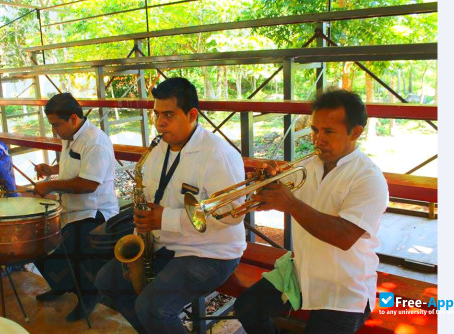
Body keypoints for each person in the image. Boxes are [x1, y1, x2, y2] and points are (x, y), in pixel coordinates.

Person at [95, 77, 246, 334]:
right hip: (167, 245)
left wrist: (165, 219)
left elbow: (230, 216)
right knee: (106, 282)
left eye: (168, 115)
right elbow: (150, 202)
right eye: (156, 115)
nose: (160, 123)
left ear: (192, 114)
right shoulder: (158, 151)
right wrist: (141, 235)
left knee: (154, 307)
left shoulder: (218, 154)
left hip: (211, 253)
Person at [233, 89, 389, 334]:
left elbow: (344, 236)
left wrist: (290, 203)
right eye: (315, 130)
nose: (318, 140)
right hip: (298, 273)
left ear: (356, 132)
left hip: (343, 289)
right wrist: (266, 188)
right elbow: (272, 202)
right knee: (247, 308)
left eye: (329, 132)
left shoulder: (368, 178)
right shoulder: (306, 166)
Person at [32, 93, 119, 322]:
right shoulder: (70, 135)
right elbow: (75, 165)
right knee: (36, 245)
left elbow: (89, 183)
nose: (54, 131)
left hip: (95, 212)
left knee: (66, 246)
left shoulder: (95, 141)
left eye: (56, 125)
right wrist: (51, 171)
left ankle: (90, 295)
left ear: (73, 118)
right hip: (73, 209)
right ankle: (63, 284)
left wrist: (50, 185)